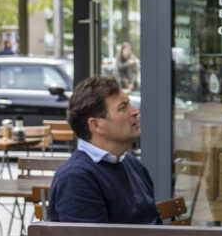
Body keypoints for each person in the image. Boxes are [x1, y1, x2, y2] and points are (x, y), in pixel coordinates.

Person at [48, 76, 160, 225]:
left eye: (130, 104)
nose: (135, 111)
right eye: (123, 107)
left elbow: (155, 226)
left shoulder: (132, 164)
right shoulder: (76, 180)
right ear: (96, 125)